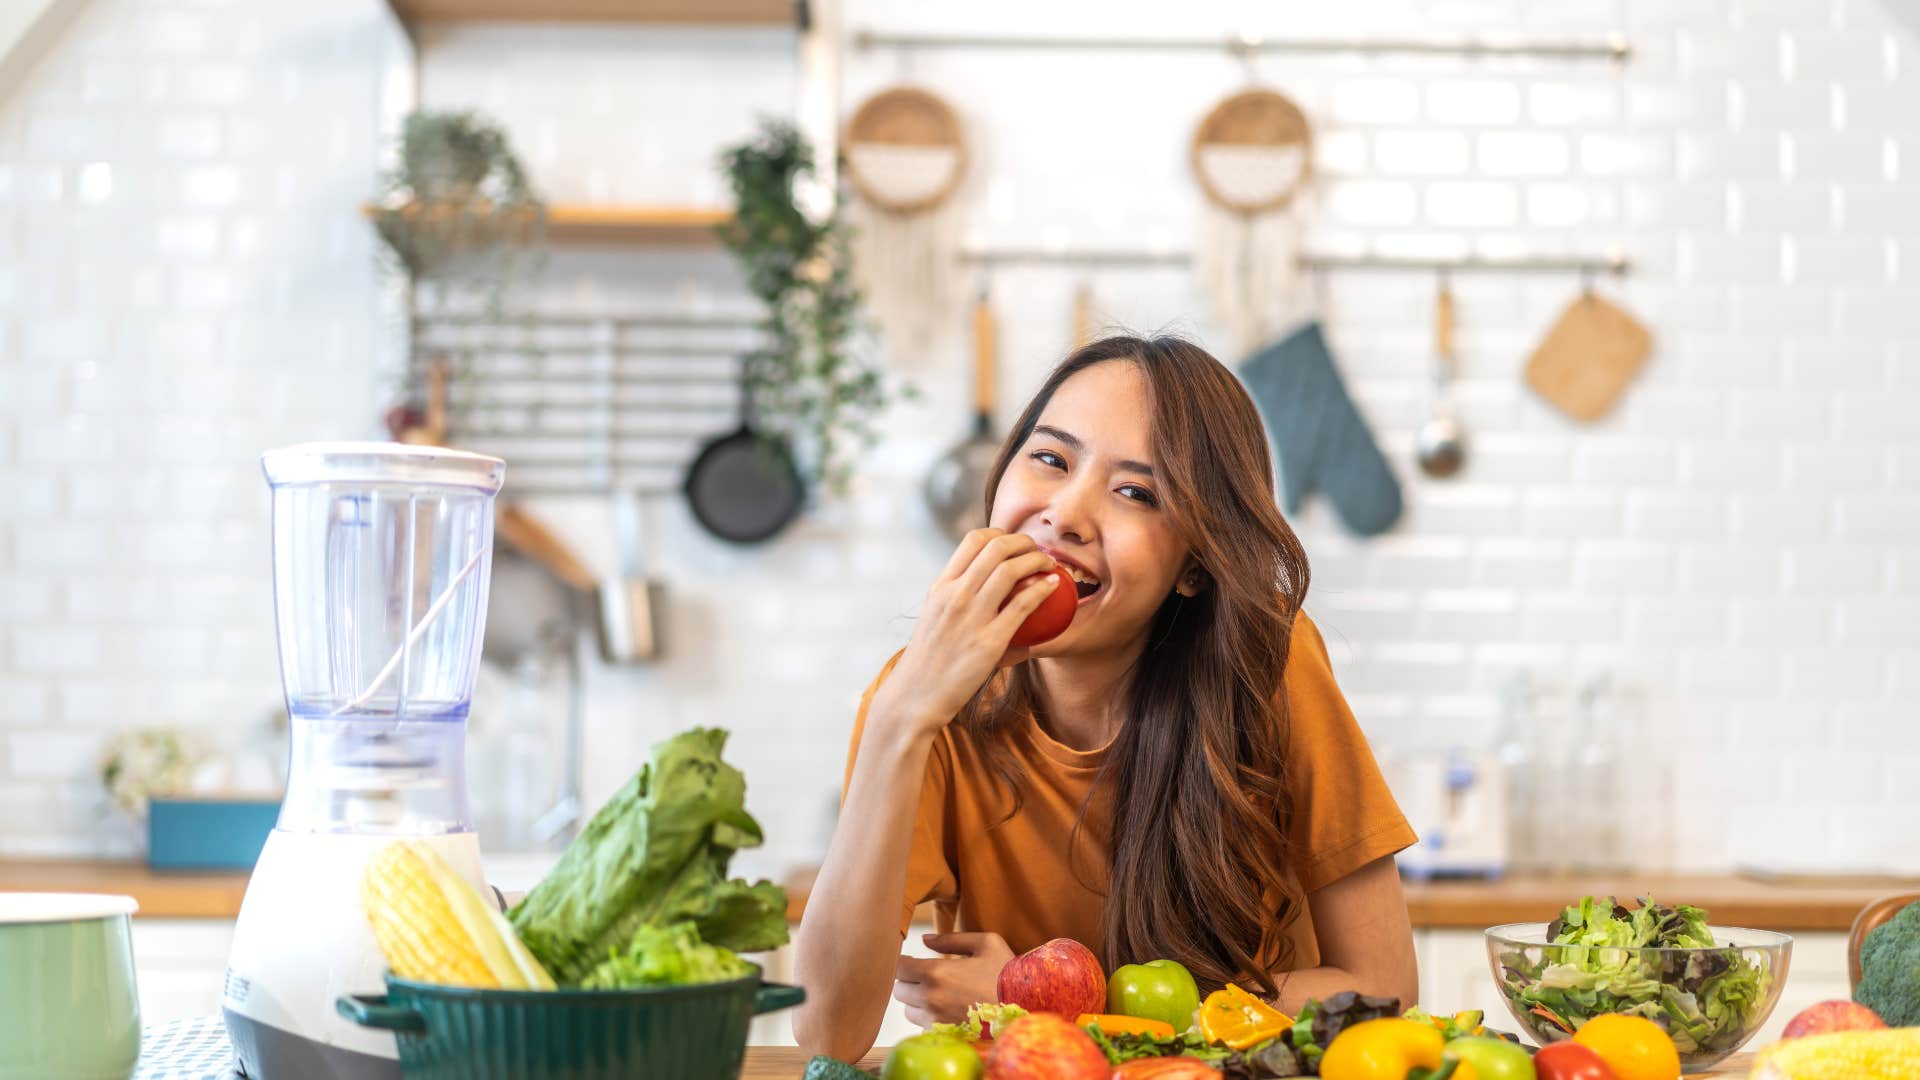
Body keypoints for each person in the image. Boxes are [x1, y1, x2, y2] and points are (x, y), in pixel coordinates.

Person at [792, 335, 1419, 1061]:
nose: (1064, 514)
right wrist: (901, 718)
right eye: (1051, 459)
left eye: (1136, 493)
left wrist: (1043, 1003)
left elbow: (1384, 991)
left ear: (1194, 565)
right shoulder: (920, 701)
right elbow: (829, 1033)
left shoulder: (1267, 662)